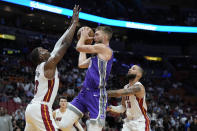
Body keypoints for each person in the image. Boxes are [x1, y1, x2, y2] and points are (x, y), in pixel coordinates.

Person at [24, 5, 81, 131]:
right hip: (41, 108)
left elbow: (59, 42)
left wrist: (71, 25)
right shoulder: (48, 65)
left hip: (31, 109)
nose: (46, 50)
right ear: (40, 57)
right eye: (42, 50)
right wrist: (75, 23)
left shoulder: (42, 66)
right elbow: (65, 44)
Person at [59, 26, 113, 131]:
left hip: (97, 95)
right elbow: (81, 64)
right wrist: (84, 45)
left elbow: (79, 47)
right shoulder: (95, 57)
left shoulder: (104, 48)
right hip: (84, 93)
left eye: (97, 34)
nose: (94, 37)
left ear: (105, 36)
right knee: (63, 125)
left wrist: (83, 38)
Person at [107, 65, 151, 131]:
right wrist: (111, 108)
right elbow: (123, 107)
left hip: (140, 122)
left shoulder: (139, 87)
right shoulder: (126, 87)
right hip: (128, 122)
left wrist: (102, 93)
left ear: (139, 74)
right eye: (130, 68)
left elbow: (118, 93)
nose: (129, 69)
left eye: (133, 69)